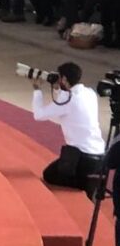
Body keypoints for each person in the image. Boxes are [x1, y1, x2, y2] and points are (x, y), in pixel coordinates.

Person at [33, 62, 105, 190]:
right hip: (99, 154)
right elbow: (67, 100)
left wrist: (37, 90)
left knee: (49, 175)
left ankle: (85, 183)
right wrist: (58, 89)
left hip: (82, 157)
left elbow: (39, 115)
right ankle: (90, 178)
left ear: (64, 79)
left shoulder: (68, 101)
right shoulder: (90, 93)